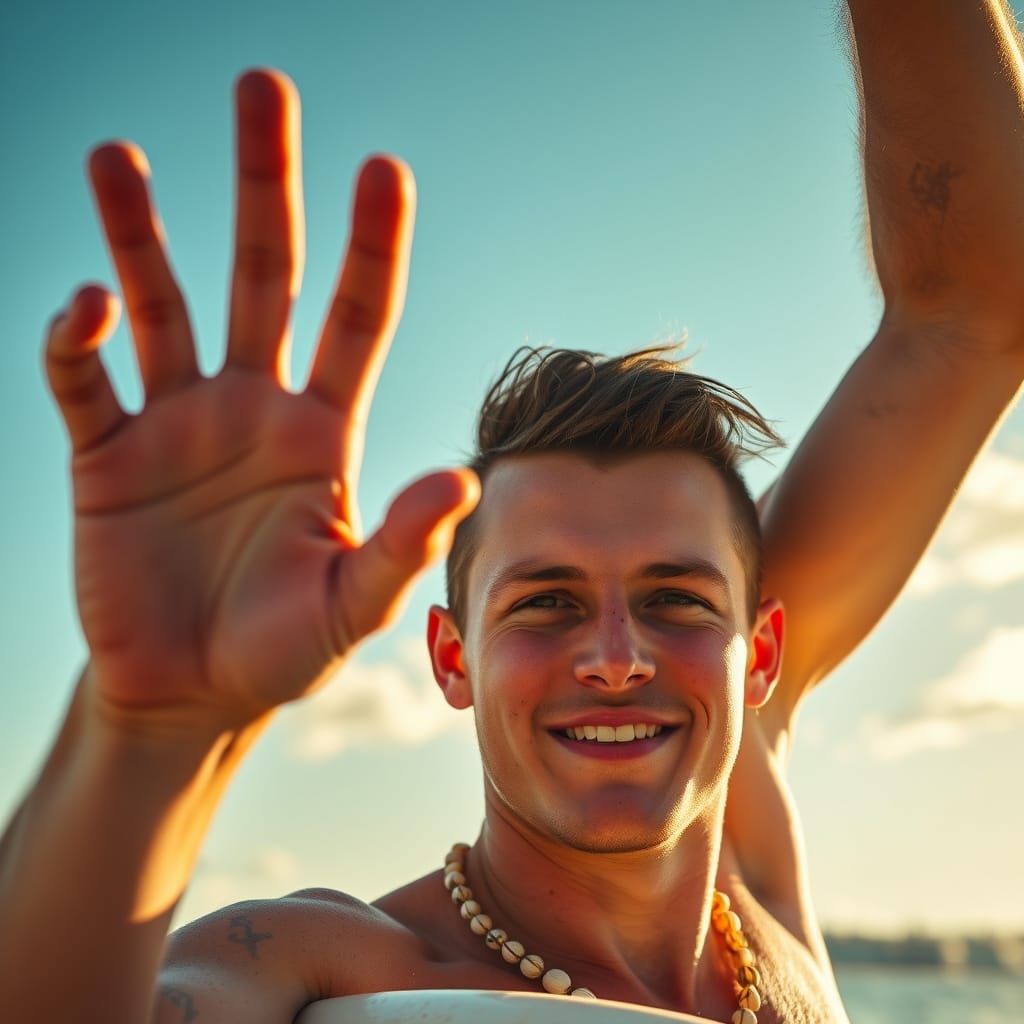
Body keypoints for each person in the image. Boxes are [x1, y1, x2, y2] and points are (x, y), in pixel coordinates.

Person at [3, 2, 1024, 1022]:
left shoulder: (756, 897)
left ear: (759, 657)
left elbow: (978, 309)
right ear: (452, 658)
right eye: (545, 602)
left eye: (675, 598)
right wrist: (147, 738)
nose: (616, 659)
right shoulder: (323, 964)